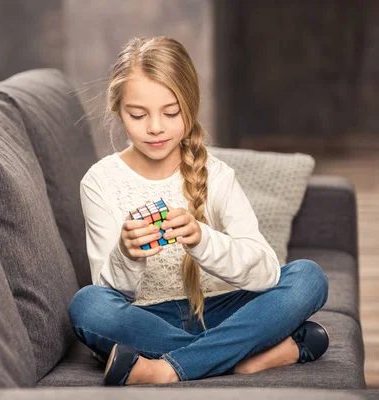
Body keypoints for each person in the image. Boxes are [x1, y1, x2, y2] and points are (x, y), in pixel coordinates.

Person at [68, 36, 330, 386]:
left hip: (222, 310)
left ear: (190, 108)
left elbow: (266, 272)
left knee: (308, 278)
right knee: (88, 306)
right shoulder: (100, 181)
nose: (156, 127)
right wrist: (127, 254)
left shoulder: (217, 175)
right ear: (118, 110)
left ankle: (166, 368)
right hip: (147, 320)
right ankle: (243, 356)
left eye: (171, 112)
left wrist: (203, 241)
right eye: (138, 114)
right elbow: (107, 292)